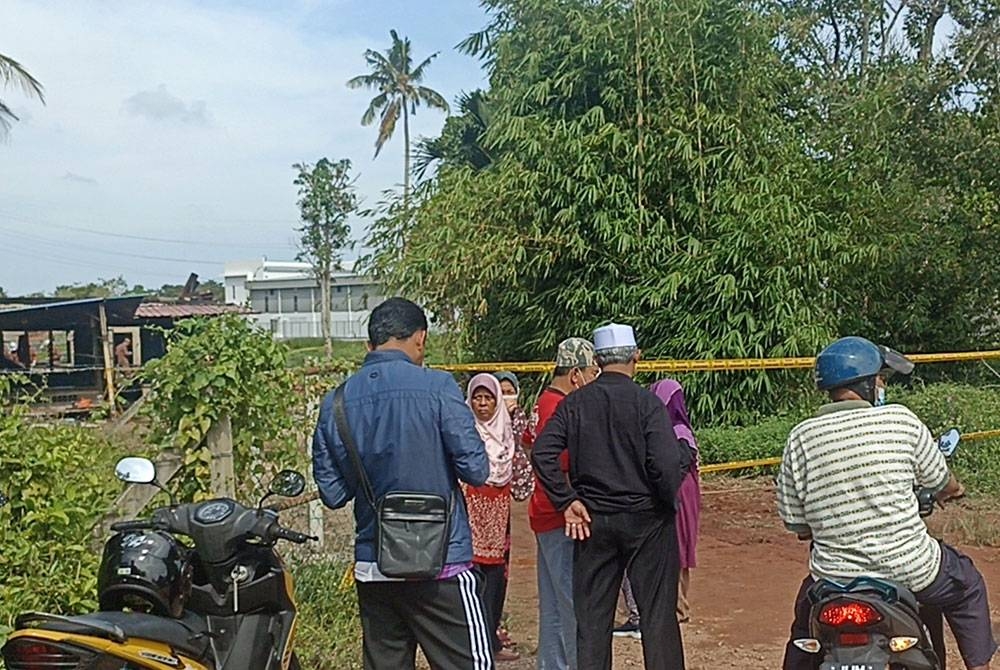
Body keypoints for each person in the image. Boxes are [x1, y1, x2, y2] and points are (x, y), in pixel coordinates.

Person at [778, 336, 997, 670]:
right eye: (880, 379)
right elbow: (942, 481)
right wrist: (952, 490)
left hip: (834, 578)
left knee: (803, 630)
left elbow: (795, 523)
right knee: (967, 586)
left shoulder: (800, 437)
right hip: (910, 568)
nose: (882, 386)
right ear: (866, 384)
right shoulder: (900, 421)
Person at [312, 297, 495, 670]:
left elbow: (332, 494)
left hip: (374, 565)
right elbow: (477, 470)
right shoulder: (439, 386)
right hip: (442, 565)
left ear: (370, 344)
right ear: (420, 339)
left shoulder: (336, 402)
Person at [532, 323, 692, 670]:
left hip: (593, 522)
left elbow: (542, 452)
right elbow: (664, 465)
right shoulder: (647, 404)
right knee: (658, 619)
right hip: (647, 521)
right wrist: (666, 502)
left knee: (592, 622)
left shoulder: (575, 404)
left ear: (599, 360)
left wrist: (567, 500)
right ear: (636, 356)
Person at [522, 337, 600, 670]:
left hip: (544, 512)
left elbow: (529, 445)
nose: (594, 380)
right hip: (561, 516)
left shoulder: (542, 402)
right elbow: (565, 460)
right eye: (591, 373)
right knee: (573, 604)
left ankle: (552, 664)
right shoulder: (562, 407)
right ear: (575, 375)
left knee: (553, 603)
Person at [615, 378, 701, 639]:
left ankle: (676, 608)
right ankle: (677, 606)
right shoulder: (680, 429)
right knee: (678, 547)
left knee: (675, 546)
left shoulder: (674, 431)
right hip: (683, 491)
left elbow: (676, 464)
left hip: (676, 492)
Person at [465, 373, 520, 663]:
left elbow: (518, 469)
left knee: (497, 580)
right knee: (473, 580)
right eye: (477, 397)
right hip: (471, 515)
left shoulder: (507, 432)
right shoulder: (464, 431)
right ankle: (475, 645)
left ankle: (491, 641)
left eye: (488, 397)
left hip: (500, 518)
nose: (483, 403)